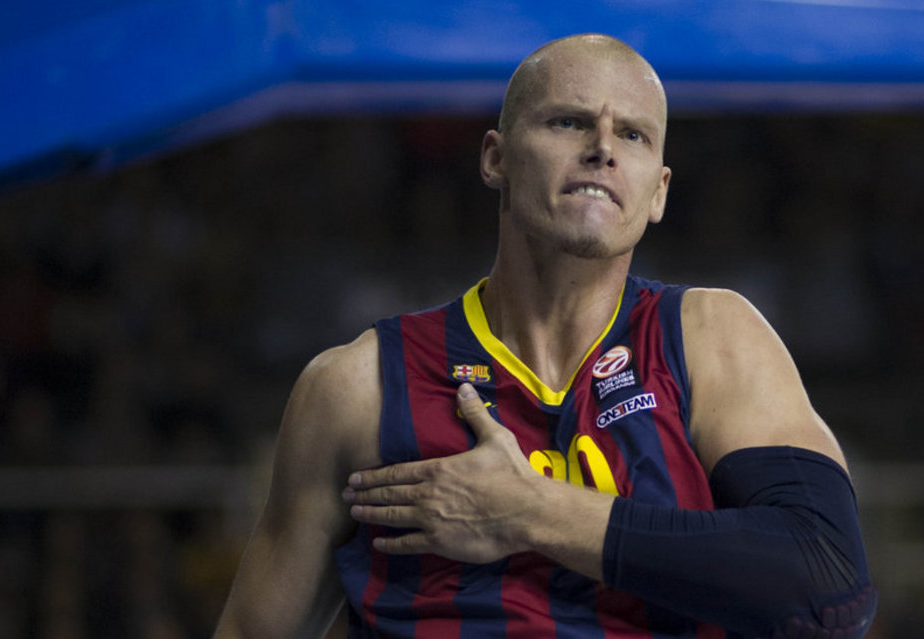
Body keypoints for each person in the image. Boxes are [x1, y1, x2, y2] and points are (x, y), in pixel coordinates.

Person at [213, 34, 876, 638]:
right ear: (495, 158)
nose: (603, 147)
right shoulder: (357, 387)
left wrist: (528, 510)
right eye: (569, 122)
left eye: (633, 135)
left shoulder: (712, 338)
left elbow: (829, 583)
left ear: (658, 192)